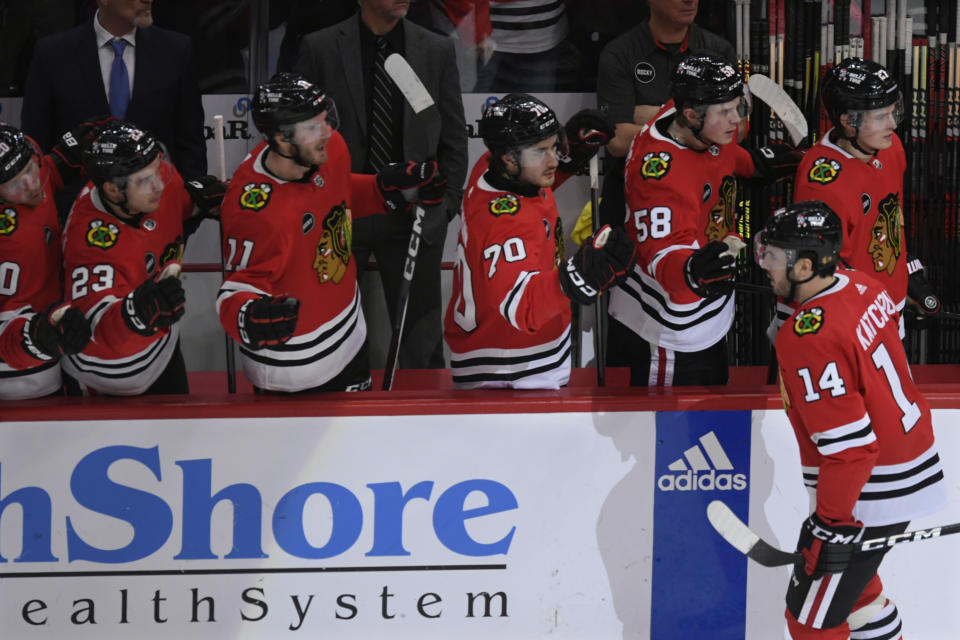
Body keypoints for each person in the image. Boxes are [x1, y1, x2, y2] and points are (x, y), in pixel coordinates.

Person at [755, 200, 945, 640]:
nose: (765, 264)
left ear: (805, 267)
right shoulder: (864, 284)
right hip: (906, 458)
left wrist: (832, 523)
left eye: (775, 256)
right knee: (857, 597)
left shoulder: (808, 336)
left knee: (811, 621)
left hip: (869, 487)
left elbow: (851, 448)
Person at [216, 73, 447, 393]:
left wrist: (388, 191)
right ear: (282, 140)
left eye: (325, 120)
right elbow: (235, 291)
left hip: (351, 335)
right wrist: (250, 317)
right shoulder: (255, 210)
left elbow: (336, 194)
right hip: (295, 369)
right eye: (313, 127)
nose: (327, 132)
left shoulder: (329, 149)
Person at [294, 0, 468, 371]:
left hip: (412, 215)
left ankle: (421, 425)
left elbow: (453, 135)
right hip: (339, 215)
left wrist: (444, 206)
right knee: (332, 332)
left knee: (421, 345)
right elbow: (298, 136)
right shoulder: (320, 47)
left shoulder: (436, 49)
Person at [607, 51, 798, 386]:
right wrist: (691, 269)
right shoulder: (659, 174)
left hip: (706, 311)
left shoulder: (689, 118)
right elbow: (662, 256)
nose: (736, 120)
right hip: (668, 325)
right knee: (671, 433)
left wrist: (751, 165)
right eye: (725, 112)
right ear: (692, 115)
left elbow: (719, 156)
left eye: (739, 106)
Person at [444, 93, 634, 388]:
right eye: (542, 151)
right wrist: (580, 275)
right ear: (509, 158)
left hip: (520, 352)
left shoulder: (494, 167)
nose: (554, 159)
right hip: (510, 368)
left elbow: (534, 181)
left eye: (555, 146)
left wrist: (572, 150)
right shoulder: (502, 221)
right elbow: (521, 307)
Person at [60, 121, 224, 396]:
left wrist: (201, 203)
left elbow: (179, 203)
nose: (160, 184)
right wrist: (134, 314)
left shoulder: (159, 182)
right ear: (112, 191)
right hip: (107, 374)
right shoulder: (89, 242)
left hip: (161, 347)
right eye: (145, 180)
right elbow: (97, 328)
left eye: (158, 169)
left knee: (177, 435)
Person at [793, 57, 939, 335]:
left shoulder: (891, 147)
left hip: (888, 310)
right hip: (850, 323)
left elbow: (892, 216)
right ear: (849, 122)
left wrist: (903, 267)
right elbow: (822, 275)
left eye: (894, 111)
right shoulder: (821, 183)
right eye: (881, 116)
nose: (893, 124)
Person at [21, 0, 206, 217]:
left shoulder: (176, 50)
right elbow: (36, 148)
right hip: (73, 222)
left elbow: (191, 145)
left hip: (158, 220)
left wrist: (186, 214)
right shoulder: (52, 54)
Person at [595, 0, 736, 229]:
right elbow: (618, 141)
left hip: (704, 200)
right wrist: (697, 121)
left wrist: (652, 115)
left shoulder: (718, 50)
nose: (690, 1)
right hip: (634, 200)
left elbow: (733, 132)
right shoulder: (619, 53)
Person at [0, 121, 106, 400]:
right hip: (17, 380)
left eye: (31, 169)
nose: (32, 183)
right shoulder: (9, 243)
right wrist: (33, 337)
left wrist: (63, 159)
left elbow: (45, 172)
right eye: (14, 183)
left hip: (54, 354)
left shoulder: (23, 155)